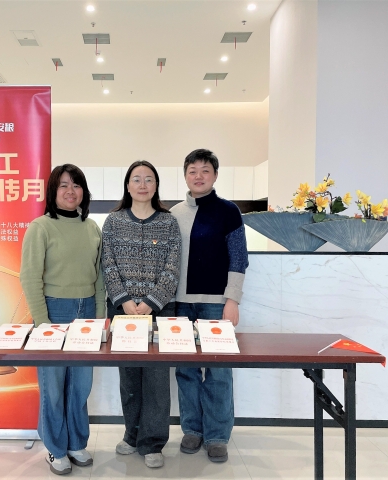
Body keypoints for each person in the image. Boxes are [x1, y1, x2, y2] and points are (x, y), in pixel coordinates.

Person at [20, 164, 106, 475]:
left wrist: (100, 318)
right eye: (63, 185)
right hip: (53, 311)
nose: (71, 191)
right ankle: (56, 449)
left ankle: (76, 443)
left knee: (81, 385)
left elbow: (100, 278)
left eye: (76, 185)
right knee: (53, 387)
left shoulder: (92, 228)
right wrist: (43, 324)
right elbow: (30, 278)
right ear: (53, 192)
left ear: (84, 191)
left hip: (87, 311)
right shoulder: (40, 227)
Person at [170, 149, 249, 463]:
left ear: (215, 175)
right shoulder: (174, 214)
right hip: (180, 305)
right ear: (185, 176)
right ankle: (192, 430)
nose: (198, 176)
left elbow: (239, 258)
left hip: (216, 305)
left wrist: (232, 300)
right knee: (186, 370)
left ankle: (217, 436)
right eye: (192, 170)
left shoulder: (229, 211)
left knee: (218, 371)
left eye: (205, 170)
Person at [101, 160, 181, 469]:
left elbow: (173, 267)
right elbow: (107, 264)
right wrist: (124, 301)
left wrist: (151, 302)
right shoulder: (113, 221)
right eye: (137, 179)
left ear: (156, 185)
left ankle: (153, 442)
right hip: (123, 312)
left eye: (149, 179)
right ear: (128, 185)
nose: (143, 184)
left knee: (157, 381)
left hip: (160, 311)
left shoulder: (169, 222)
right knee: (130, 378)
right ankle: (132, 435)